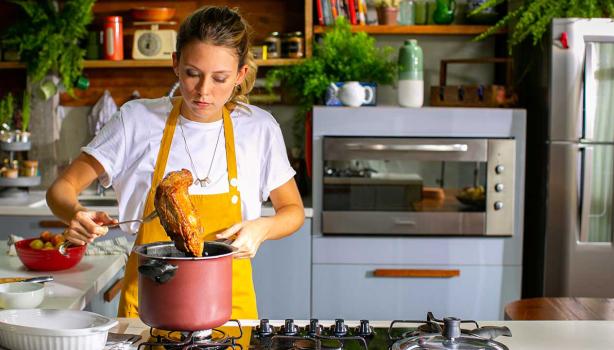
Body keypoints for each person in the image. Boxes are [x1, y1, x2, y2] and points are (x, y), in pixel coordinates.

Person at [46, 5, 305, 323]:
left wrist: (262, 228)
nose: (203, 91)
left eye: (220, 78)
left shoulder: (258, 128)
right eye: (192, 73)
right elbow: (62, 188)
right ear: (175, 64)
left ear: (239, 75)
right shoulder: (137, 120)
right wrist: (76, 214)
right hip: (147, 310)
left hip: (228, 311)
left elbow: (292, 210)